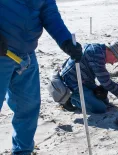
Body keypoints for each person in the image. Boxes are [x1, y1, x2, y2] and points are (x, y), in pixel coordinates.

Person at [0, 0, 82, 154]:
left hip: (26, 55)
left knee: (28, 108)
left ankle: (22, 151)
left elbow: (49, 13)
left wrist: (66, 42)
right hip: (1, 53)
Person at [59, 42, 118, 113]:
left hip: (84, 80)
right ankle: (68, 99)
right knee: (100, 108)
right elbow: (104, 81)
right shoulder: (97, 55)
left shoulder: (98, 49)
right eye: (116, 60)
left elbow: (104, 78)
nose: (113, 63)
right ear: (112, 52)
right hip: (71, 83)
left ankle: (82, 98)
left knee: (105, 101)